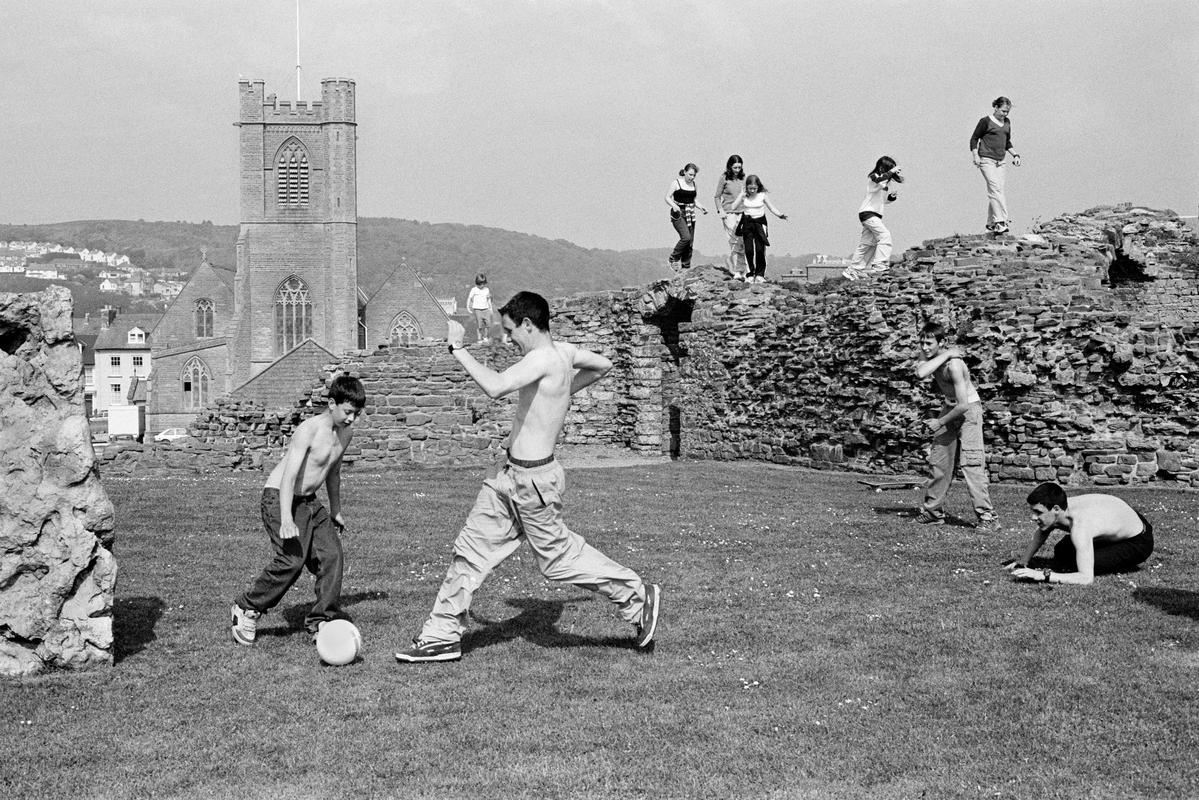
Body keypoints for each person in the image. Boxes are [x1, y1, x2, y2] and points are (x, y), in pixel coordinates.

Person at [394, 292, 661, 663]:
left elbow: (495, 386)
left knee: (558, 560)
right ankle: (440, 634)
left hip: (534, 484)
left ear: (529, 325)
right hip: (507, 478)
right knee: (469, 553)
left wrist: (457, 348)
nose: (507, 339)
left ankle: (637, 596)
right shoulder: (562, 354)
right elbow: (603, 365)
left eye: (510, 331)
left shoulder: (542, 358)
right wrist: (562, 391)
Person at [230, 374, 367, 646]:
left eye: (356, 413)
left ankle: (321, 622)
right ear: (332, 403)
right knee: (292, 560)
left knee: (332, 556)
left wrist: (336, 510)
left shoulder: (346, 433)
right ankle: (246, 607)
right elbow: (288, 477)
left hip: (309, 501)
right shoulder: (308, 429)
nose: (352, 419)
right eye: (348, 412)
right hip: (279, 496)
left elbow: (333, 472)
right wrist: (286, 519)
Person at [912, 322, 998, 530]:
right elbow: (920, 373)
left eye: (929, 343)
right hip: (949, 408)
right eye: (922, 343)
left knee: (971, 464)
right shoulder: (936, 357)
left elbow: (963, 405)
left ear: (940, 342)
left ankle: (988, 518)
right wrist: (947, 353)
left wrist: (939, 422)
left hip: (968, 411)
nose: (924, 348)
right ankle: (933, 512)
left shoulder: (955, 366)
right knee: (939, 461)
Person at [1005, 483, 1154, 585]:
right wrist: (1023, 562)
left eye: (1038, 512)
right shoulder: (1061, 507)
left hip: (1138, 540)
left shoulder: (1081, 526)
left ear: (1056, 509)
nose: (1033, 517)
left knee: (1074, 566)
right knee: (1062, 551)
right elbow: (1043, 530)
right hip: (1121, 519)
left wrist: (1042, 575)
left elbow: (1086, 578)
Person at [842, 156, 903, 281]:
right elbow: (880, 179)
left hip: (874, 214)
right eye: (889, 169)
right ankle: (880, 265)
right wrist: (892, 171)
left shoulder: (884, 183)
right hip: (868, 213)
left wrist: (891, 197)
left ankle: (854, 270)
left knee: (867, 243)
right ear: (882, 167)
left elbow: (882, 201)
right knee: (884, 235)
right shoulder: (873, 176)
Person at [970, 96, 1021, 234]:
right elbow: (974, 138)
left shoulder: (1007, 122)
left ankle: (991, 223)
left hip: (1001, 161)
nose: (1005, 114)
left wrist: (1015, 155)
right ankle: (1001, 221)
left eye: (1007, 112)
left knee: (998, 191)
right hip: (986, 159)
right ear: (996, 107)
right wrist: (976, 156)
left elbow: (1007, 141)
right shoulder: (985, 121)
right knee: (995, 189)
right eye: (1003, 111)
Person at [729, 174, 788, 284]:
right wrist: (741, 194)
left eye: (754, 188)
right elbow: (733, 207)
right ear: (746, 187)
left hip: (760, 223)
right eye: (750, 188)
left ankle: (760, 275)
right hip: (747, 223)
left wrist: (780, 215)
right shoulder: (744, 195)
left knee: (760, 250)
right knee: (749, 250)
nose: (752, 191)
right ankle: (750, 273)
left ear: (758, 187)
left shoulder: (762, 195)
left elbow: (771, 207)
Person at [665, 163, 708, 272]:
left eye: (694, 175)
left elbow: (693, 200)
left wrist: (701, 207)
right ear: (684, 172)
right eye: (690, 174)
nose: (692, 177)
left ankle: (686, 267)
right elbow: (667, 197)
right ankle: (673, 258)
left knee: (690, 242)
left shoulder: (694, 184)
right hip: (678, 213)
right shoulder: (676, 183)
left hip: (690, 213)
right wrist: (674, 206)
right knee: (686, 237)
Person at [713, 155, 747, 280]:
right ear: (730, 167)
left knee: (743, 242)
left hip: (743, 213)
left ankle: (743, 270)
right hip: (729, 213)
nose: (737, 170)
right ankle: (737, 271)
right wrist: (720, 211)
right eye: (735, 167)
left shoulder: (743, 178)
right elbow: (717, 196)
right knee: (734, 241)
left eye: (739, 167)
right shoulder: (724, 178)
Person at [467, 273, 493, 344]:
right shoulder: (474, 290)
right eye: (480, 284)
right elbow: (469, 298)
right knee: (480, 324)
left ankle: (485, 337)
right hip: (478, 309)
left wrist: (491, 308)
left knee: (488, 324)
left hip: (486, 309)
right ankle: (479, 338)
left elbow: (488, 299)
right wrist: (468, 307)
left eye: (483, 284)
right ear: (477, 283)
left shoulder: (486, 289)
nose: (482, 286)